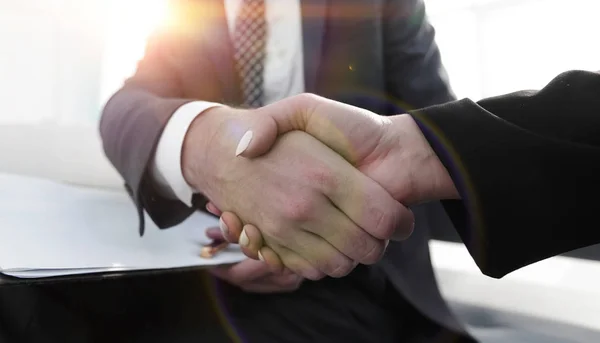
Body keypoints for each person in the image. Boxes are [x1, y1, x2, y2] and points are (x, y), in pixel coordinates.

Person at [65, 0, 473, 342]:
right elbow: (125, 106)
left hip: (348, 278)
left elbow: (439, 140)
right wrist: (202, 145)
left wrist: (303, 225)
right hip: (203, 269)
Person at [212, 69, 600, 281]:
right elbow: (153, 112)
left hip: (381, 275)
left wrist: (409, 150)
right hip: (218, 279)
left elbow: (429, 99)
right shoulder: (185, 18)